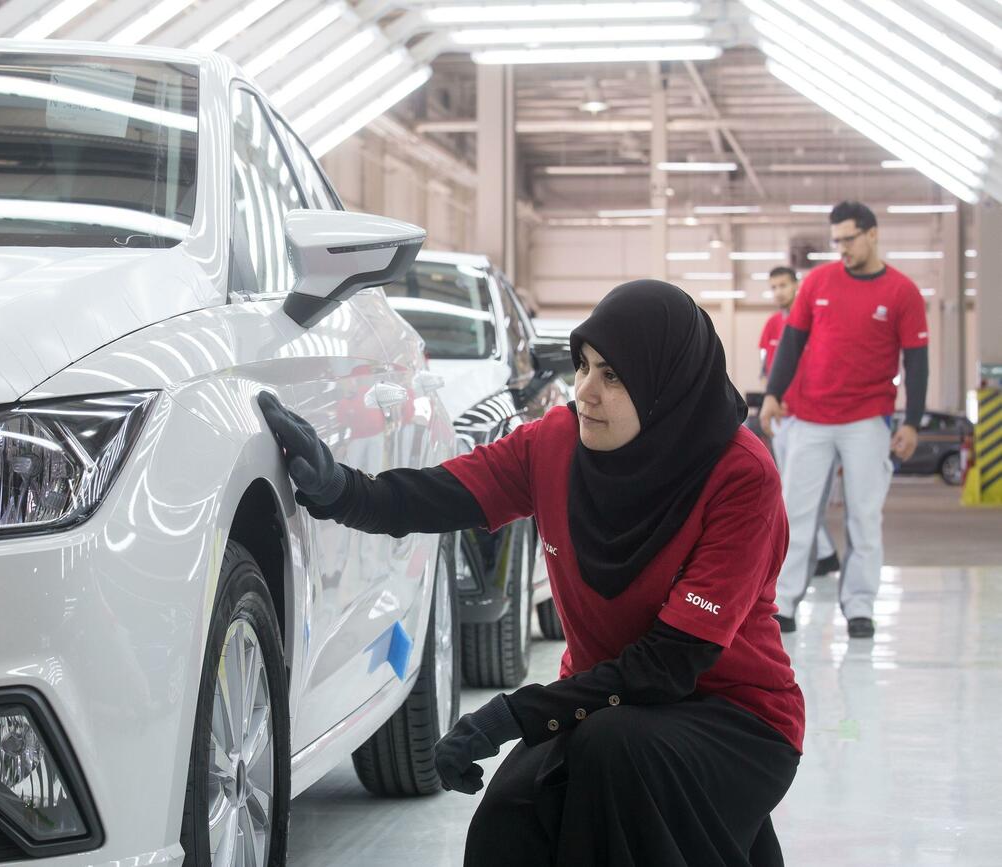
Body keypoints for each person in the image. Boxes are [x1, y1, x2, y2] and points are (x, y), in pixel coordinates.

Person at [260, 280, 804, 866]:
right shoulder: (556, 444)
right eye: (583, 366)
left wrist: (511, 714)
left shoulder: (741, 476)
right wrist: (341, 490)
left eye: (614, 377)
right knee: (509, 821)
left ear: (665, 388)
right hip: (606, 704)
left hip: (735, 717)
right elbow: (443, 494)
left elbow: (672, 663)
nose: (586, 392)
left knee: (614, 753)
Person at [759, 201, 928, 638]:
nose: (842, 249)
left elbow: (917, 361)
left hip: (868, 420)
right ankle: (785, 603)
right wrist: (774, 394)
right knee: (795, 513)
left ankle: (859, 607)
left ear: (872, 234)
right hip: (811, 419)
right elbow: (791, 343)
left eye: (849, 239)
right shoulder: (817, 282)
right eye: (836, 241)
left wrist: (911, 422)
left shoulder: (902, 292)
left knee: (864, 516)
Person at [760, 265, 840, 577]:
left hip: (811, 418)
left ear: (797, 287)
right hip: (782, 418)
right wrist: (771, 397)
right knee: (791, 493)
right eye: (774, 286)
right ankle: (825, 554)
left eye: (784, 285)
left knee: (800, 494)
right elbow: (768, 368)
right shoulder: (770, 326)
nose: (779, 291)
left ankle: (822, 554)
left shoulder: (815, 324)